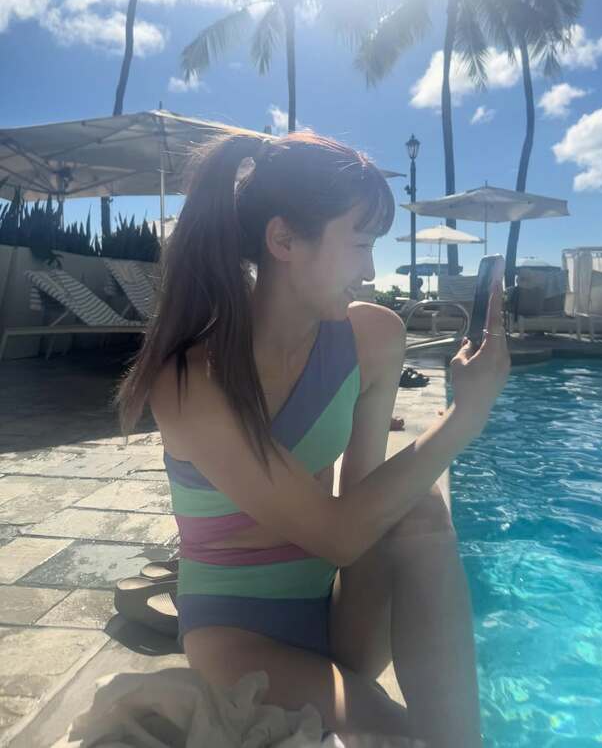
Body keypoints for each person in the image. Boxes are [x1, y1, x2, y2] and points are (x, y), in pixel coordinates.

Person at [118, 129, 510, 748]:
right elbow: (336, 533)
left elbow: (365, 503)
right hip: (236, 635)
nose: (371, 270)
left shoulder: (374, 339)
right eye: (359, 244)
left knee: (419, 506)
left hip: (336, 607)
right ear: (283, 240)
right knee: (390, 732)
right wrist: (465, 415)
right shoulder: (192, 382)